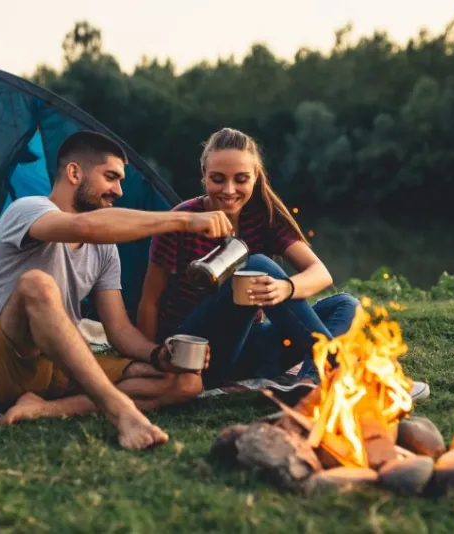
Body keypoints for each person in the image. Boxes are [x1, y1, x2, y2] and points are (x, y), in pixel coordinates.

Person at [0, 130, 234, 450]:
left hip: (60, 369)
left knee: (186, 382)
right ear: (74, 172)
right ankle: (121, 412)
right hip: (3, 370)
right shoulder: (27, 210)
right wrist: (185, 220)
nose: (118, 190)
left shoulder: (105, 251)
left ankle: (44, 409)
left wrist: (157, 354)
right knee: (36, 284)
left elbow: (118, 330)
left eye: (120, 180)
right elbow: (84, 228)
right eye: (110, 177)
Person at [137, 127, 430, 402]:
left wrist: (286, 288)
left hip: (250, 349)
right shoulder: (182, 220)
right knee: (259, 264)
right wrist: (150, 359)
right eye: (217, 179)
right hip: (200, 354)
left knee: (346, 304)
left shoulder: (262, 217)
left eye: (240, 179)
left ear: (255, 177)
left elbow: (320, 273)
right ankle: (341, 371)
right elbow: (150, 301)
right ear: (203, 176)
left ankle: (310, 383)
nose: (229, 190)